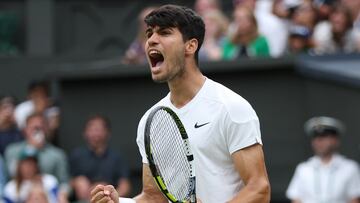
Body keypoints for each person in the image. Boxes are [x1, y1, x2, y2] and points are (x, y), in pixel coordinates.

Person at [90, 4, 270, 203]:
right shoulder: (150, 122)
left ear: (190, 46)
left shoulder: (231, 107)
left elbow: (259, 189)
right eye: (149, 34)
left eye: (165, 33)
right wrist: (120, 202)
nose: (152, 40)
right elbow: (153, 197)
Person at [286, 116, 360, 203]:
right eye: (315, 137)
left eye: (324, 136)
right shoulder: (303, 169)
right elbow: (296, 199)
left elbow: (354, 199)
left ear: (335, 140)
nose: (318, 141)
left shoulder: (350, 168)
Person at [4, 113, 69, 202]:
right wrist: (31, 147)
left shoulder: (57, 155)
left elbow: (64, 183)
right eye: (34, 128)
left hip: (47, 194)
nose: (37, 131)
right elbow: (10, 175)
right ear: (25, 130)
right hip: (18, 191)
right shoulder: (12, 150)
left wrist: (61, 195)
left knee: (38, 194)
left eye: (40, 127)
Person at [70, 115, 131, 202]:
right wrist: (77, 182)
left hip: (109, 199)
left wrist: (111, 194)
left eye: (98, 130)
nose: (95, 133)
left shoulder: (117, 157)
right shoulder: (77, 155)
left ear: (108, 133)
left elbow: (125, 185)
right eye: (91, 129)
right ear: (85, 133)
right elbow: (67, 181)